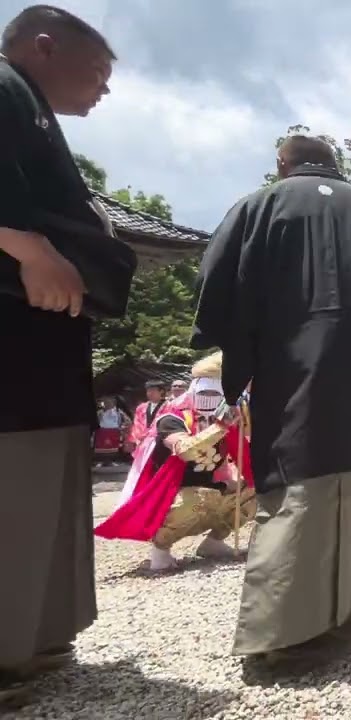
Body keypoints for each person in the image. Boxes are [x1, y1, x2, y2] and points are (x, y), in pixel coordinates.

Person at [191, 134, 351, 665]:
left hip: (292, 367)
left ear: (282, 164)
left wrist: (241, 358)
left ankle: (285, 634)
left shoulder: (260, 205)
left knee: (296, 481)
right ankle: (349, 605)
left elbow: (217, 282)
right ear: (333, 164)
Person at [0, 5, 116, 704]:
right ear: (44, 47)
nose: (104, 89)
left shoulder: (29, 108)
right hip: (13, 334)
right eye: (99, 71)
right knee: (13, 484)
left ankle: (30, 636)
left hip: (40, 342)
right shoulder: (5, 86)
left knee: (44, 483)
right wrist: (25, 244)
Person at [94, 352, 256, 571]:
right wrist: (220, 427)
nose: (210, 398)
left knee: (254, 492)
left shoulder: (223, 418)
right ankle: (161, 548)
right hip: (175, 491)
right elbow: (185, 450)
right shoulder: (172, 418)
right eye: (205, 391)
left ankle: (215, 542)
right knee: (197, 499)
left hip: (211, 484)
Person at [126, 380, 168, 456]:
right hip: (143, 440)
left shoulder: (169, 406)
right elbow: (137, 423)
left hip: (161, 440)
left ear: (161, 391)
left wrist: (153, 435)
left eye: (153, 391)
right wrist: (140, 436)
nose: (150, 393)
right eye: (148, 391)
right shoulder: (141, 407)